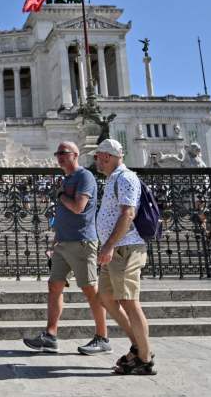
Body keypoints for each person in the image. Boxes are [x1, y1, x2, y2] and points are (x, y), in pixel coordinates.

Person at [23, 141, 111, 355]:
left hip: (81, 241)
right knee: (54, 286)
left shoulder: (84, 177)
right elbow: (63, 214)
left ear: (76, 154)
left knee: (90, 289)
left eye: (64, 153)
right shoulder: (68, 179)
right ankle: (50, 336)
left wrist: (61, 195)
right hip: (63, 242)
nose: (59, 157)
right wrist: (55, 241)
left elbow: (78, 207)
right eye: (57, 153)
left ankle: (103, 337)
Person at [93, 139, 155, 375]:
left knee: (129, 301)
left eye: (97, 156)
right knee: (106, 298)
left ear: (107, 157)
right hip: (115, 250)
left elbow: (128, 214)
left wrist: (109, 246)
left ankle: (144, 359)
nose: (96, 161)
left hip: (125, 248)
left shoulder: (125, 178)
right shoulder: (112, 179)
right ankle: (140, 347)